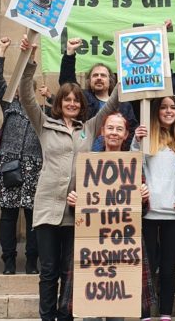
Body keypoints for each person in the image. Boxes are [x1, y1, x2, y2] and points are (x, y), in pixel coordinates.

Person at [18, 35, 120, 321]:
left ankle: (66, 316)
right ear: (59, 103)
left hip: (77, 211)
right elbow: (26, 95)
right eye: (67, 100)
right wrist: (29, 62)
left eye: (76, 100)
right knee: (48, 270)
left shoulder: (88, 128)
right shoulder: (44, 124)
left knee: (69, 270)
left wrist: (124, 74)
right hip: (48, 209)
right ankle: (47, 317)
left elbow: (112, 104)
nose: (72, 103)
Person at [66, 112, 155, 321]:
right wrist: (74, 201)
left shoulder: (132, 166)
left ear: (126, 135)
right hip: (92, 245)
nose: (114, 133)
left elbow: (139, 213)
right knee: (91, 313)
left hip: (123, 245)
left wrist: (143, 199)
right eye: (110, 128)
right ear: (102, 131)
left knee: (117, 312)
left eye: (119, 129)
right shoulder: (89, 164)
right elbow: (80, 212)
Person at [132, 96, 175, 321]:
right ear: (156, 111)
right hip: (148, 211)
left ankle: (165, 313)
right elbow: (133, 165)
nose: (168, 111)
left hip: (173, 212)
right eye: (164, 107)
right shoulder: (145, 138)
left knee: (168, 267)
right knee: (148, 266)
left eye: (172, 107)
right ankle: (144, 313)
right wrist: (136, 142)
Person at [0, 37, 42, 275]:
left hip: (35, 166)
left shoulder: (42, 112)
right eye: (19, 85)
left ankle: (31, 263)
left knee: (33, 218)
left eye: (26, 84)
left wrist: (31, 58)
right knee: (8, 216)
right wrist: (2, 50)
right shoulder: (9, 104)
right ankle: (8, 262)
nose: (22, 88)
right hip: (9, 163)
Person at [54, 38, 138, 150]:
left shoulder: (124, 105)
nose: (99, 78)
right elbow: (67, 83)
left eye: (103, 75)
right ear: (89, 80)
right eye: (95, 75)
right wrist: (70, 54)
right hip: (85, 156)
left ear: (111, 81)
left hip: (115, 159)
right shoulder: (83, 98)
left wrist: (122, 151)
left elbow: (131, 131)